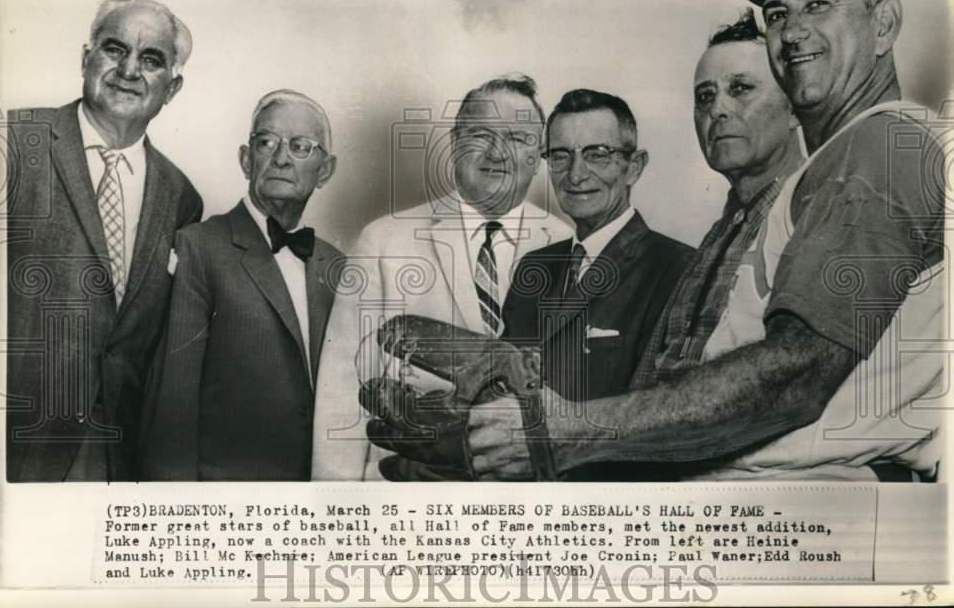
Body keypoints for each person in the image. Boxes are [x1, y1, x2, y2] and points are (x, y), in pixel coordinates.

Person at [462, 0, 945, 481]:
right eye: (777, 13)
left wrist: (569, 432)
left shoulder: (881, 143)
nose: (792, 32)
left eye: (819, 4)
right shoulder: (836, 165)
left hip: (803, 508)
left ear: (885, 23)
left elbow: (795, 376)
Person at [311, 74, 571, 480]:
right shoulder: (383, 240)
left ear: (538, 156)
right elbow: (342, 390)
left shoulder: (568, 242)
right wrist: (337, 510)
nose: (497, 151)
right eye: (481, 133)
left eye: (519, 138)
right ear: (453, 144)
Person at [6, 0, 202, 482]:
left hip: (116, 452)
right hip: (10, 441)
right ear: (85, 58)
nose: (129, 70)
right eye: (115, 49)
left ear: (171, 88)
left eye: (151, 59)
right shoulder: (11, 143)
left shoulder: (181, 198)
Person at [141, 90, 342, 480]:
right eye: (266, 142)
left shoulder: (337, 265)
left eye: (301, 147)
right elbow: (172, 408)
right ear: (246, 160)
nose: (281, 158)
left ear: (326, 169)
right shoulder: (198, 246)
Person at [632, 9, 804, 389]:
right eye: (705, 96)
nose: (718, 109)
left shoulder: (807, 214)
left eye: (741, 88)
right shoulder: (722, 231)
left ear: (794, 109)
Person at [502, 90, 692, 411]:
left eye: (597, 154)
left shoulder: (679, 269)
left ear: (634, 167)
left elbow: (665, 411)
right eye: (561, 156)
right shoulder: (533, 267)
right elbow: (502, 385)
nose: (576, 175)